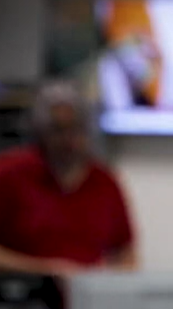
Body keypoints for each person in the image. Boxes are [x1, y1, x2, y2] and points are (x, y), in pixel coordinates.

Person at [0, 82, 138, 275]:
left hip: (88, 288)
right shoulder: (9, 173)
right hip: (23, 287)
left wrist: (104, 277)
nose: (68, 139)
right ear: (41, 132)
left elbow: (126, 255)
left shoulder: (105, 182)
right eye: (58, 130)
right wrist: (45, 270)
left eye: (75, 128)